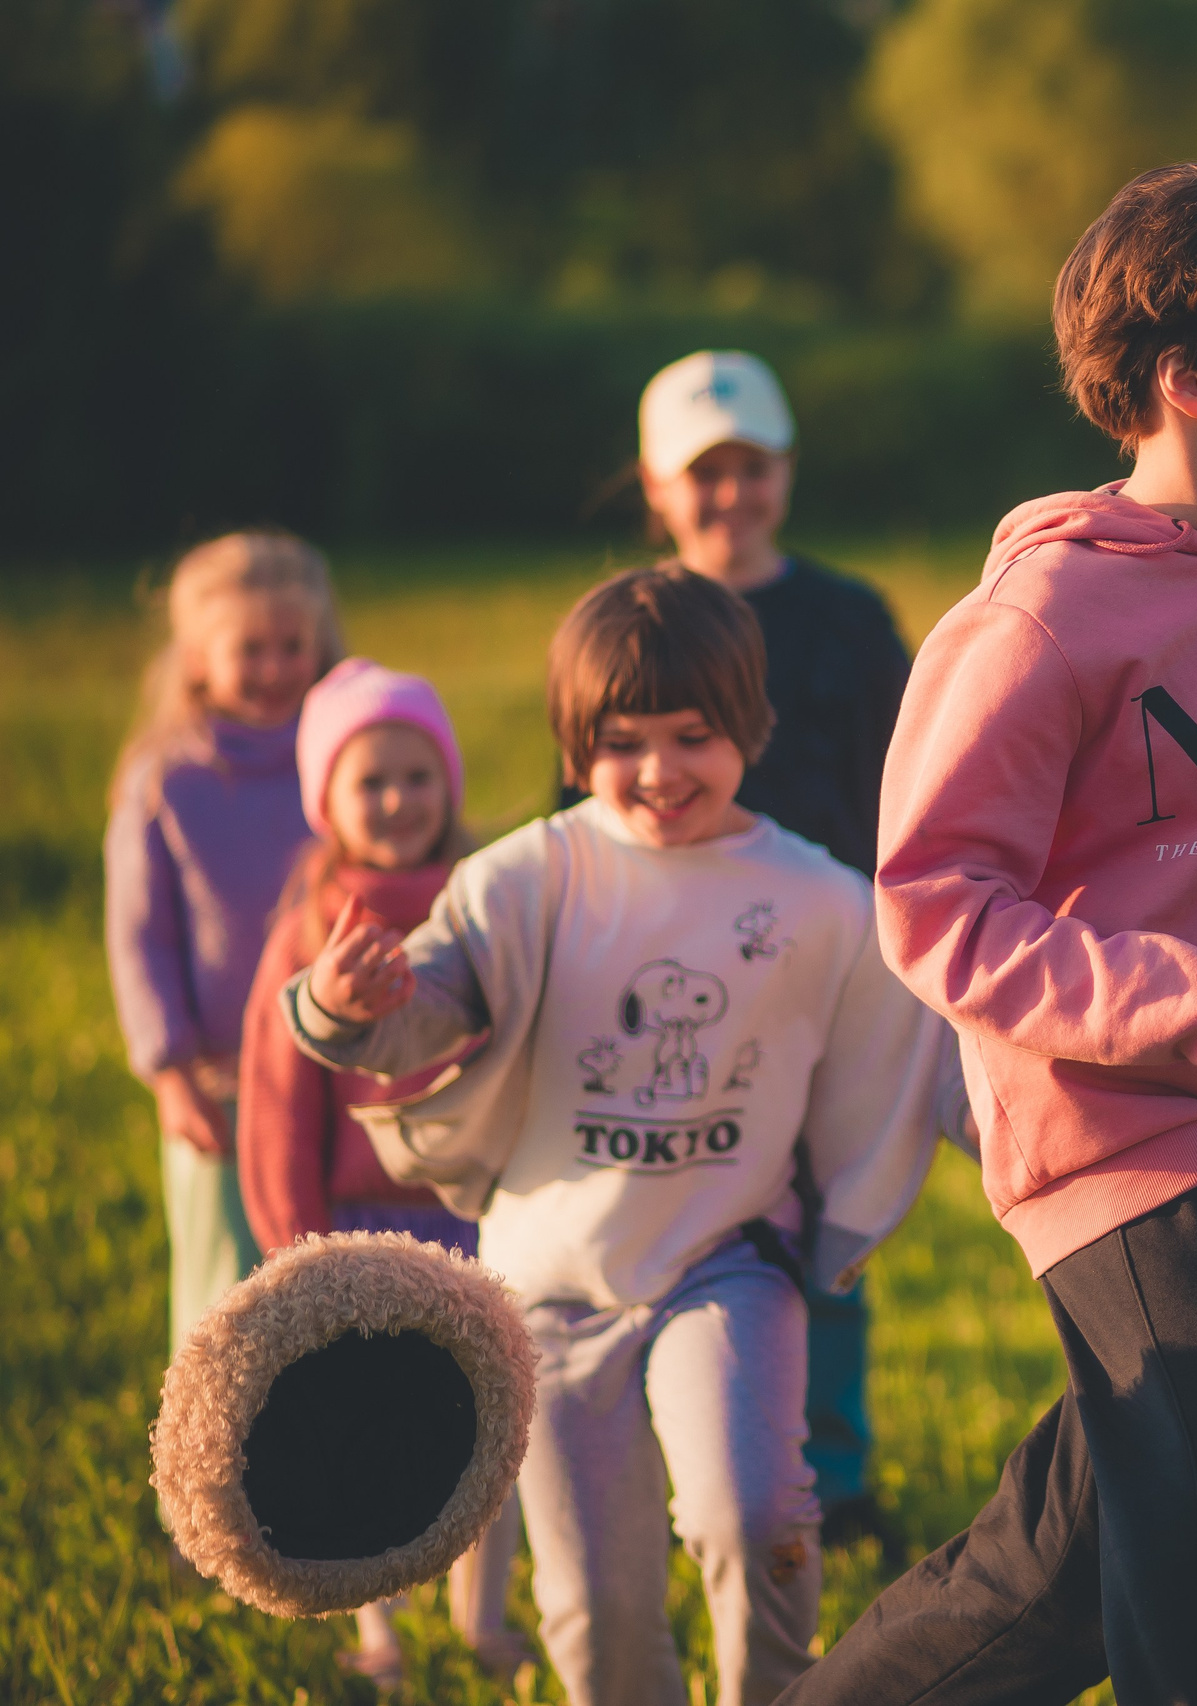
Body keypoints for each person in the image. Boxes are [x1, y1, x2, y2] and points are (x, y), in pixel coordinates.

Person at [781, 161, 1197, 1706]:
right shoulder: (1046, 615)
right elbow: (937, 908)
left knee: (1070, 1568)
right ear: (1189, 380)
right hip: (1118, 1128)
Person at [279, 567, 964, 1706]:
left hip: (728, 1262)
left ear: (752, 724)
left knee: (756, 1515)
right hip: (545, 1290)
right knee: (593, 1605)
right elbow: (425, 1009)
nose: (658, 772)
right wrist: (345, 1008)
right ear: (571, 742)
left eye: (694, 735)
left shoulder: (824, 899)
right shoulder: (526, 876)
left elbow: (917, 1052)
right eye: (621, 741)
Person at [635, 347, 915, 1556]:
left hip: (834, 973)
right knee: (688, 1228)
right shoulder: (635, 624)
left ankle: (830, 1473)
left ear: (786, 473)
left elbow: (912, 788)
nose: (730, 494)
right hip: (674, 987)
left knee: (830, 1225)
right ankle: (691, 1458)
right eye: (704, 474)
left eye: (751, 467)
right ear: (657, 488)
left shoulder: (850, 623)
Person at [234, 656, 529, 1689]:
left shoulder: (490, 899)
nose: (399, 799)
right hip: (360, 1235)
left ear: (447, 778)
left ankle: (483, 1613)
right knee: (377, 1437)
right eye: (371, 781)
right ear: (327, 801)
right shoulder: (313, 924)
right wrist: (300, 1244)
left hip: (483, 1225)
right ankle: (378, 1628)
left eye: (417, 773)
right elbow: (276, 1102)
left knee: (492, 1432)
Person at [105, 531, 342, 1417]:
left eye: (294, 645)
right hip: (218, 1080)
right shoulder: (166, 780)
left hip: (330, 1073)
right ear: (198, 661)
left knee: (320, 1270)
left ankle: (313, 1459)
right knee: (220, 1290)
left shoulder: (342, 763)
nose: (277, 667)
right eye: (251, 649)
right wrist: (168, 1070)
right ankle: (207, 1479)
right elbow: (143, 939)